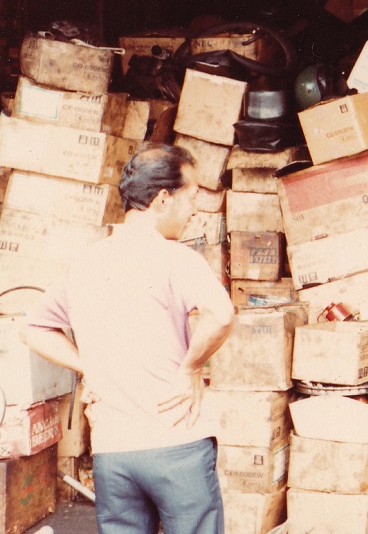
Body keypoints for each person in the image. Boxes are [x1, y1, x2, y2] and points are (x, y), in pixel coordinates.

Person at [21, 144, 235, 534]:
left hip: (113, 453)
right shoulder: (179, 259)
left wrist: (90, 367)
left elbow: (32, 327)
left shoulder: (85, 262)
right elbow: (222, 314)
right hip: (177, 446)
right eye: (191, 197)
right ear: (163, 199)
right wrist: (192, 367)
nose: (195, 210)